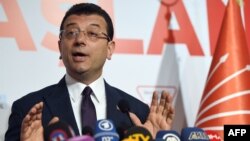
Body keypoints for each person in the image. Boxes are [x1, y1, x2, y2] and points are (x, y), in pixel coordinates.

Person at [5, 3, 175, 141]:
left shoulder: (137, 113)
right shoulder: (27, 110)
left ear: (110, 49)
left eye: (93, 33)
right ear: (59, 46)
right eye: (71, 33)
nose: (79, 40)